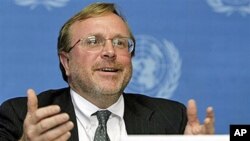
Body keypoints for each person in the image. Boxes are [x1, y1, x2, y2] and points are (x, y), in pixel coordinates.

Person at [0, 2, 215, 141]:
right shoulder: (20, 117)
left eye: (121, 43)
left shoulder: (172, 119)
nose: (110, 52)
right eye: (93, 41)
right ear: (66, 61)